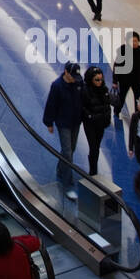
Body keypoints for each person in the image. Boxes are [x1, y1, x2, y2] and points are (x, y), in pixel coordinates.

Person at [43, 62, 83, 195]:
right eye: (72, 76)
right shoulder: (57, 86)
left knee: (71, 148)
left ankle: (61, 169)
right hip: (63, 123)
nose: (74, 79)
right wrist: (49, 122)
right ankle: (67, 180)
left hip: (75, 121)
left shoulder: (78, 83)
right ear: (66, 72)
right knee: (67, 152)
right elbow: (51, 104)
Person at [81, 65, 111, 175]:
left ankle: (94, 168)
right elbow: (82, 107)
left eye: (101, 79)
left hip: (101, 124)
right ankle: (93, 171)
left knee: (96, 147)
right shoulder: (85, 91)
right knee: (93, 147)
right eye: (97, 80)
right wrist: (90, 116)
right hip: (90, 124)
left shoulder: (104, 90)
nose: (99, 82)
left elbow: (107, 105)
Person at [113, 30, 140, 120]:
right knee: (122, 96)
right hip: (125, 80)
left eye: (136, 41)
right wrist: (115, 81)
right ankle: (116, 111)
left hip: (137, 80)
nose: (134, 43)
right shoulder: (123, 50)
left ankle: (137, 115)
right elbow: (117, 66)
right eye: (132, 41)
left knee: (138, 99)